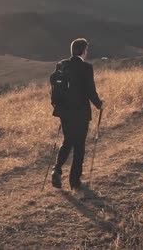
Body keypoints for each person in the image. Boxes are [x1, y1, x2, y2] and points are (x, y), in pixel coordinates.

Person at [51, 38, 103, 190]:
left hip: (63, 111)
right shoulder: (86, 67)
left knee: (68, 141)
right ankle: (75, 182)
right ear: (83, 51)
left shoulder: (61, 65)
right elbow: (90, 91)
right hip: (80, 112)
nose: (87, 53)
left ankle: (57, 169)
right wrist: (99, 104)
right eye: (86, 50)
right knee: (79, 145)